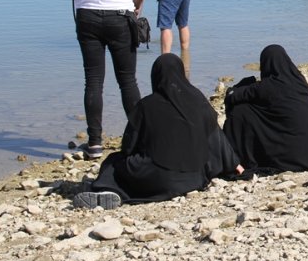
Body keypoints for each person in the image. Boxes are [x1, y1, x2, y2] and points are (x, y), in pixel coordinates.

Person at [73, 54, 242, 208]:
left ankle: (107, 188)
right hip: (194, 178)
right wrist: (234, 164)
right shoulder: (198, 101)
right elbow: (216, 139)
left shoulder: (145, 106)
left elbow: (128, 147)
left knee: (113, 162)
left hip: (156, 179)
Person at [52, 0, 147, 160]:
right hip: (120, 15)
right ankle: (140, 139)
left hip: (87, 17)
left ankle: (94, 143)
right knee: (127, 80)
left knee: (93, 80)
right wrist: (135, 7)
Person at [223, 44, 308, 176]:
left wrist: (239, 86)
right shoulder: (299, 81)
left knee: (240, 112)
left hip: (293, 159)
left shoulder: (268, 86)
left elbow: (232, 97)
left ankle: (235, 159)